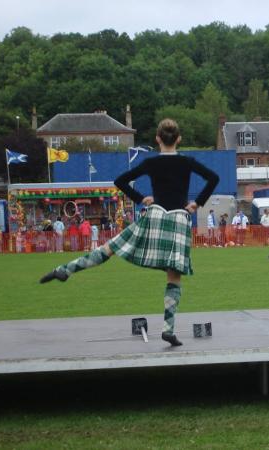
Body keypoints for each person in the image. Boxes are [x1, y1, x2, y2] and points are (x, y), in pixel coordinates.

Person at [39, 118, 220, 346]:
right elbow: (214, 178)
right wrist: (197, 203)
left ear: (157, 139)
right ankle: (168, 329)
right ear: (179, 139)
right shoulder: (188, 162)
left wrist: (141, 198)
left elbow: (120, 180)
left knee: (111, 247)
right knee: (174, 276)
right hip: (178, 220)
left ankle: (65, 270)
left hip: (154, 216)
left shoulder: (151, 163)